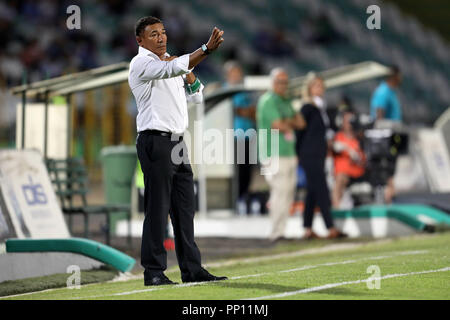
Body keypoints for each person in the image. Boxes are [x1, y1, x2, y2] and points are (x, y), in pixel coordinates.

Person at [128, 16, 227, 286]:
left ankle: (192, 269)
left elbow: (196, 95)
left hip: (177, 143)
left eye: (163, 32)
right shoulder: (141, 63)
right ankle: (154, 272)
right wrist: (204, 51)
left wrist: (188, 70)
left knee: (184, 208)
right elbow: (170, 70)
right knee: (158, 208)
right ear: (140, 40)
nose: (161, 38)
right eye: (153, 34)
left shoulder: (170, 60)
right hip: (155, 141)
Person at [257, 68, 305, 242]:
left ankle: (281, 230)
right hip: (272, 152)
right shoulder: (268, 100)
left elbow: (301, 123)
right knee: (279, 191)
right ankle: (276, 232)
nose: (283, 86)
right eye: (280, 82)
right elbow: (278, 125)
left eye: (285, 82)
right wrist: (289, 121)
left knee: (288, 192)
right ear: (272, 83)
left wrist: (288, 122)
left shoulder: (287, 100)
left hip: (288, 152)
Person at [295, 74, 346, 239]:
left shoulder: (321, 108)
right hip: (309, 154)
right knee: (322, 188)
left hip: (318, 153)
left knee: (312, 190)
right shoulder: (307, 108)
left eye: (321, 86)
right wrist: (298, 153)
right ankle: (330, 227)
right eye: (316, 86)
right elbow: (300, 132)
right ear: (309, 89)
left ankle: (307, 228)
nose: (320, 89)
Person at [223, 61, 257, 214]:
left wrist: (244, 111)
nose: (237, 76)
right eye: (234, 73)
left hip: (248, 136)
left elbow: (252, 112)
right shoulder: (224, 91)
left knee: (247, 170)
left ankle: (243, 198)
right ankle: (234, 200)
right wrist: (244, 111)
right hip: (233, 138)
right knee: (235, 171)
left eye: (239, 72)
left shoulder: (245, 92)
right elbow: (234, 111)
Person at [370, 66, 402, 203]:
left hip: (392, 133)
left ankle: (390, 191)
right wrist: (381, 133)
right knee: (386, 165)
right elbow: (379, 112)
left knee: (391, 164)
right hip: (386, 136)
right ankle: (387, 194)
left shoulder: (390, 91)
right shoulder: (384, 91)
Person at [331, 110, 366, 208]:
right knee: (340, 178)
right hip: (340, 172)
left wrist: (356, 156)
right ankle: (336, 207)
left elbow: (363, 160)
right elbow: (333, 148)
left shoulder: (358, 139)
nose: (349, 124)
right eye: (346, 121)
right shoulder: (338, 137)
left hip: (354, 172)